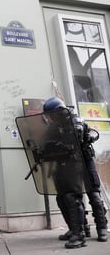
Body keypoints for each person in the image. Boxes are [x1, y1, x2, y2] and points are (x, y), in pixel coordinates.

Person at [44, 97, 108, 243]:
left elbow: (78, 137)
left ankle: (101, 228)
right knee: (65, 197)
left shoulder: (75, 121)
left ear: (59, 111)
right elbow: (47, 143)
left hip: (85, 161)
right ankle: (77, 228)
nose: (50, 118)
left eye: (51, 114)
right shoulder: (54, 126)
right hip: (69, 164)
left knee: (94, 194)